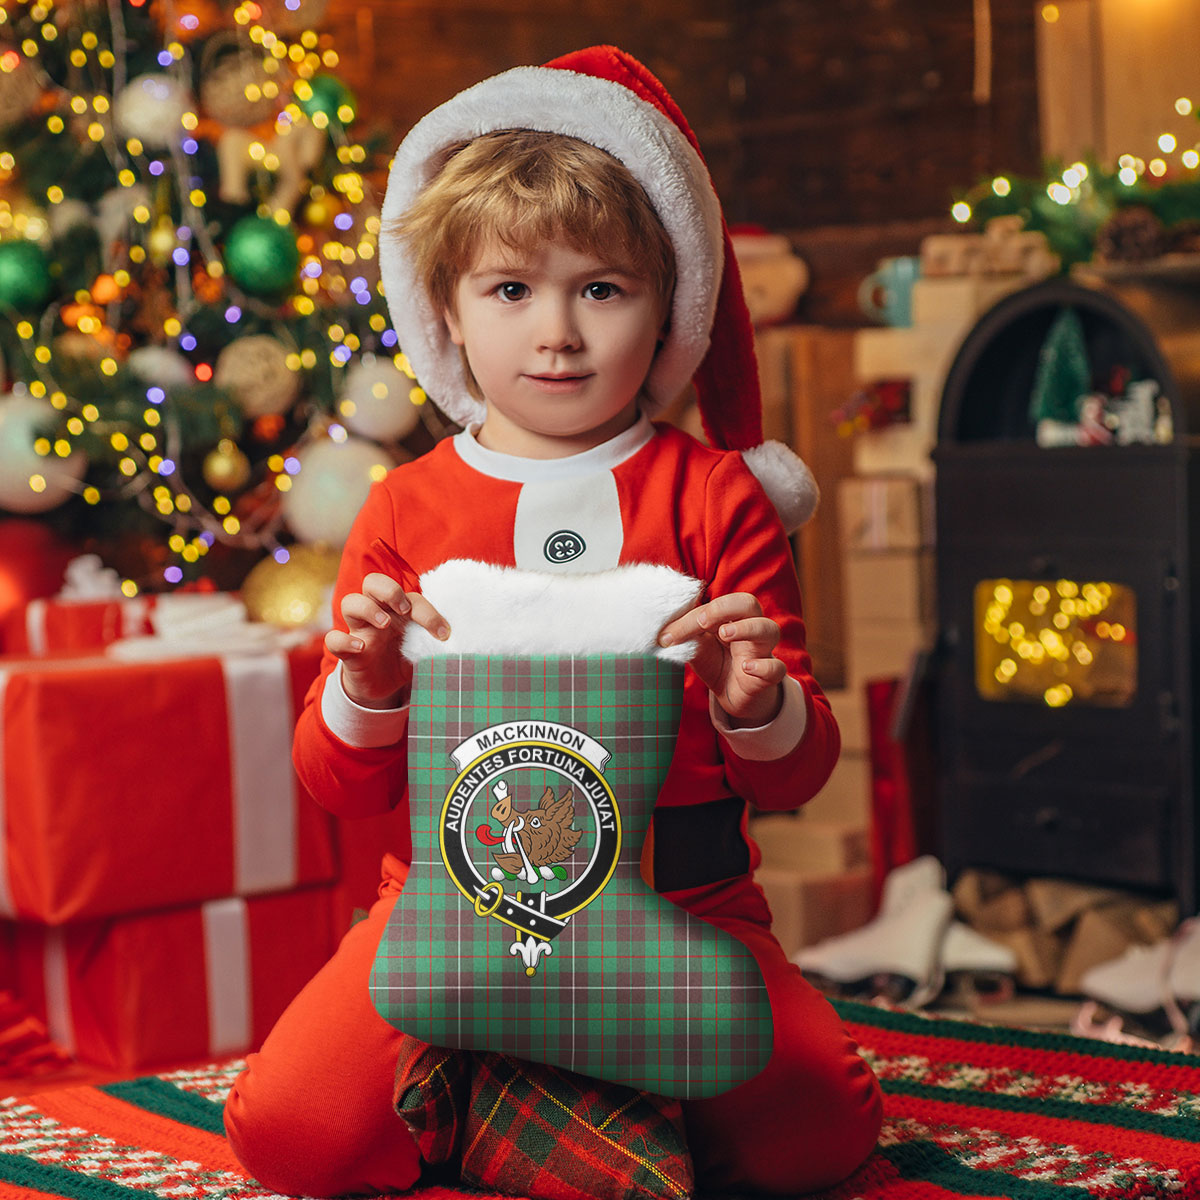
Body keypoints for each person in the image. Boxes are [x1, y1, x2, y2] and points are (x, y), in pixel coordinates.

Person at [224, 45, 882, 1198]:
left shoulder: (715, 496)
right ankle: (538, 1081)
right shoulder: (407, 504)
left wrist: (760, 705)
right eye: (512, 289)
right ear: (446, 310)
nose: (558, 334)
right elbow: (339, 784)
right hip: (447, 900)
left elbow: (796, 780)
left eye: (602, 288)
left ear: (665, 303)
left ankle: (527, 1085)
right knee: (293, 1136)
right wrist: (369, 686)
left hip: (686, 903)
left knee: (816, 1137)